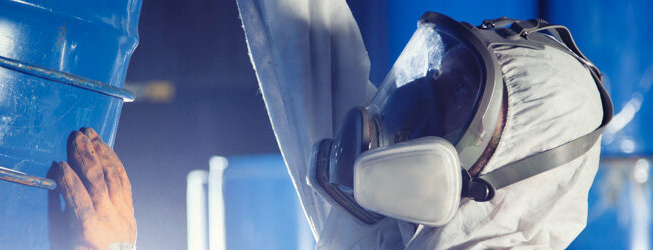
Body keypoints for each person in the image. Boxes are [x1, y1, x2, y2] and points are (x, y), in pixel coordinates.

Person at [51, 1, 612, 250]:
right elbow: (307, 43)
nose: (421, 116)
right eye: (439, 80)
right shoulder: (389, 231)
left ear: (506, 180)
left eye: (457, 101)